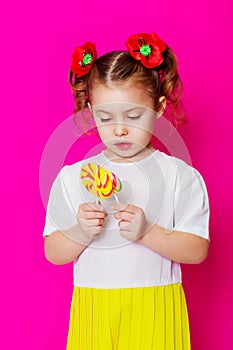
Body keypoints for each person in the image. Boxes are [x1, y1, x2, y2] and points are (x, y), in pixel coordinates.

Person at [42, 32, 210, 349]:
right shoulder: (73, 178)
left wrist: (147, 231)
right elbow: (54, 253)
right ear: (91, 109)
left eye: (134, 116)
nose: (119, 129)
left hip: (156, 305)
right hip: (94, 306)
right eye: (105, 117)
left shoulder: (179, 175)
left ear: (159, 108)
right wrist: (81, 231)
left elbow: (197, 250)